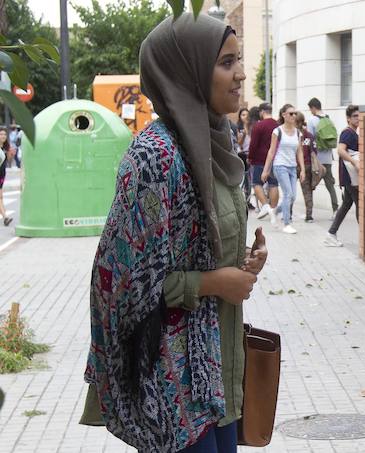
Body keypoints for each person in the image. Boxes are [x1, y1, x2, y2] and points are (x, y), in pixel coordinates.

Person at [81, 14, 268, 453]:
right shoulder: (156, 156)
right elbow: (120, 285)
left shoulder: (214, 142)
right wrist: (212, 282)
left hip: (217, 368)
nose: (240, 73)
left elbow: (190, 247)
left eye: (238, 60)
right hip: (172, 382)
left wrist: (242, 260)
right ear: (185, 71)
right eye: (225, 62)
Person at [261, 104, 303, 234]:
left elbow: (300, 151)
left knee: (293, 197)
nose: (293, 116)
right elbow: (271, 151)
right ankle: (286, 223)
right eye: (291, 113)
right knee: (288, 194)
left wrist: (303, 170)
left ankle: (274, 211)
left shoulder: (298, 132)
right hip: (280, 165)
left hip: (292, 167)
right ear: (284, 115)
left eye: (295, 113)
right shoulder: (277, 131)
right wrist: (266, 170)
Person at [324, 105, 361, 247]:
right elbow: (340, 150)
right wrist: (354, 162)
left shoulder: (353, 133)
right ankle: (364, 238)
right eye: (354, 116)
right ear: (348, 118)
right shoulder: (348, 133)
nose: (358, 118)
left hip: (349, 177)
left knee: (346, 205)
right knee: (360, 205)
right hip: (350, 177)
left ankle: (331, 234)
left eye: (359, 116)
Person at [307, 97, 340, 217]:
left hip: (317, 160)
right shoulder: (328, 119)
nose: (310, 111)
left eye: (310, 109)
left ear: (313, 108)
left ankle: (309, 213)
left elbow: (310, 139)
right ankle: (335, 210)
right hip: (328, 158)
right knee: (330, 185)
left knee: (310, 185)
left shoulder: (312, 120)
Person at [249, 103, 280, 220]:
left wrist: (250, 157)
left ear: (262, 112)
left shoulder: (259, 126)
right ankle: (273, 209)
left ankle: (266, 206)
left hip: (259, 159)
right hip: (275, 159)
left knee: (257, 183)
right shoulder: (278, 125)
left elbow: (253, 144)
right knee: (274, 184)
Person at [297, 112, 316, 222]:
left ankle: (288, 214)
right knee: (307, 190)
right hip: (308, 164)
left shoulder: (292, 134)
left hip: (294, 164)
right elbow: (314, 151)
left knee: (289, 191)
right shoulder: (309, 135)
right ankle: (309, 215)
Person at [236, 107, 253, 209]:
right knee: (244, 178)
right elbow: (239, 143)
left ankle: (248, 200)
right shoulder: (238, 127)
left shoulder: (252, 127)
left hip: (251, 154)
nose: (245, 117)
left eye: (247, 115)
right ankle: (242, 200)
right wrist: (244, 133)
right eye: (243, 115)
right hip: (242, 154)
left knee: (249, 180)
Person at [0, 129, 12, 225]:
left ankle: (5, 217)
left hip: (2, 175)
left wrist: (11, 154)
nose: (3, 136)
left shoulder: (5, 147)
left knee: (1, 197)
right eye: (1, 134)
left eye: (4, 134)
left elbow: (7, 162)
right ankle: (5, 217)